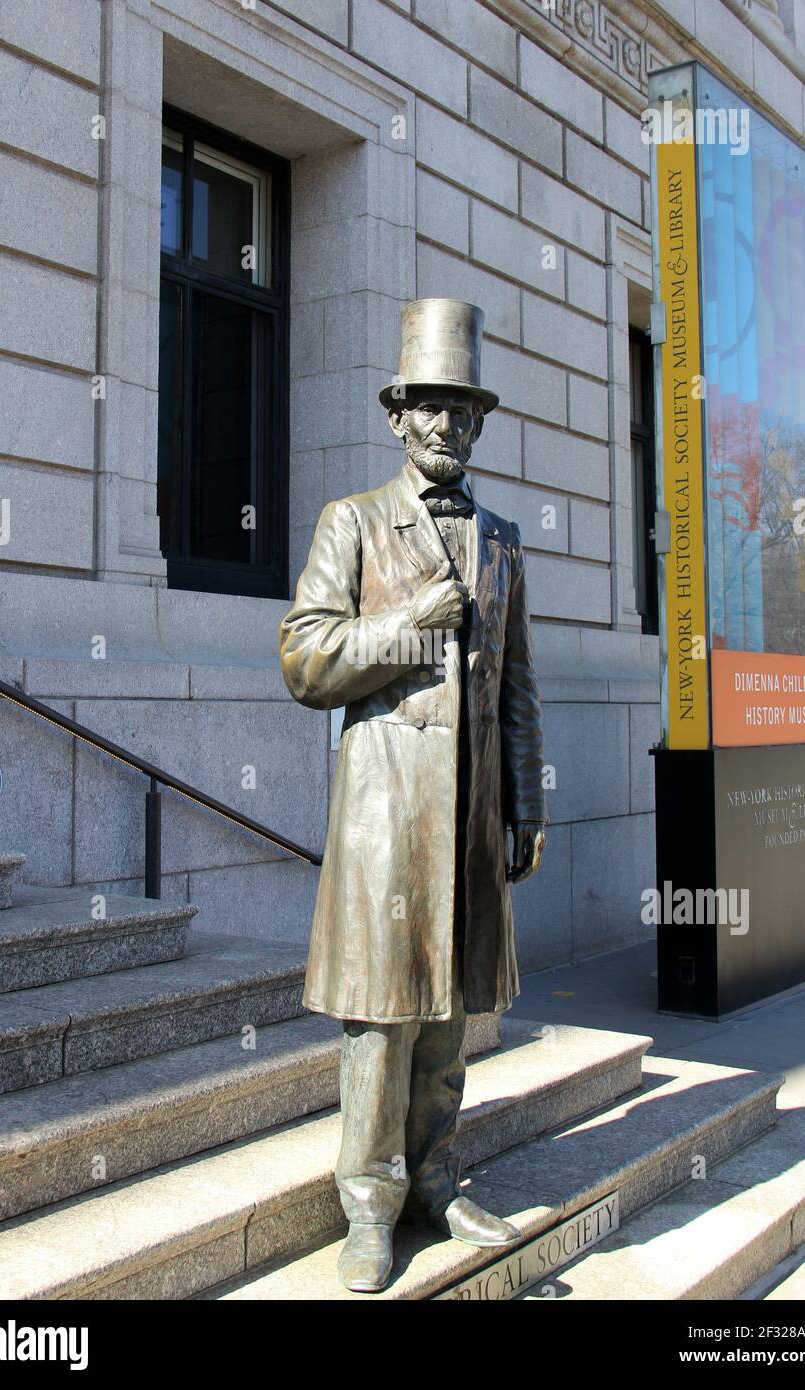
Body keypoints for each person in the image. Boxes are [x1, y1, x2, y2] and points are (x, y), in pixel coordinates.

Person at [279, 299, 547, 1292]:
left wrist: (526, 802)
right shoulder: (351, 523)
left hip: (470, 821)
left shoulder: (506, 540)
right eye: (429, 407)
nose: (446, 426)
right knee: (382, 1022)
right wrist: (410, 623)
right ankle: (370, 1205)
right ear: (398, 418)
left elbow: (519, 684)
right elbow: (305, 658)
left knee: (449, 1021)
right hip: (387, 818)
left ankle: (437, 1173)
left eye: (462, 411)